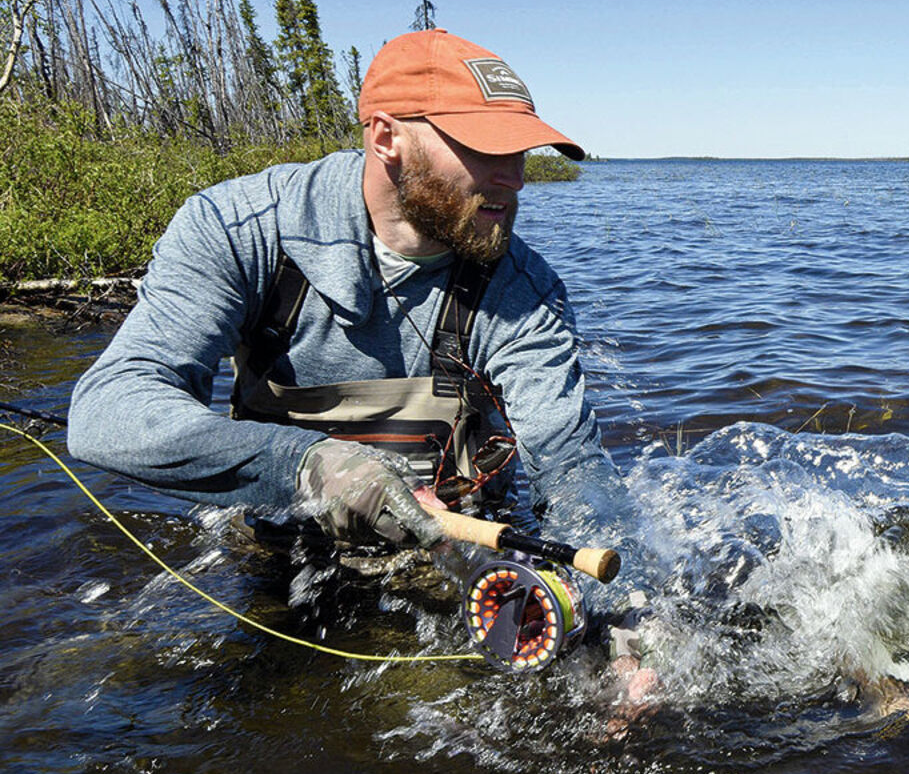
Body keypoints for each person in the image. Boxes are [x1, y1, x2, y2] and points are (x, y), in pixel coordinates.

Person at [70, 28, 624, 557]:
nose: (517, 177)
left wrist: (623, 599)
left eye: (520, 151)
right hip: (280, 546)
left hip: (458, 553)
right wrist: (306, 466)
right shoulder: (237, 229)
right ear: (387, 138)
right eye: (485, 149)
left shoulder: (523, 288)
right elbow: (107, 409)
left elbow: (569, 462)